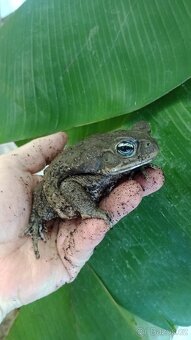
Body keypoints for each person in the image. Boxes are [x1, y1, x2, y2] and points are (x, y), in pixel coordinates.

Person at [0, 132, 164, 323]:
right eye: (126, 149)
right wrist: (88, 209)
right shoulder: (94, 173)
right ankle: (36, 220)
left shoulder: (111, 167)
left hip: (89, 172)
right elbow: (69, 185)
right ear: (111, 155)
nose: (148, 145)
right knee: (50, 210)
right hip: (58, 185)